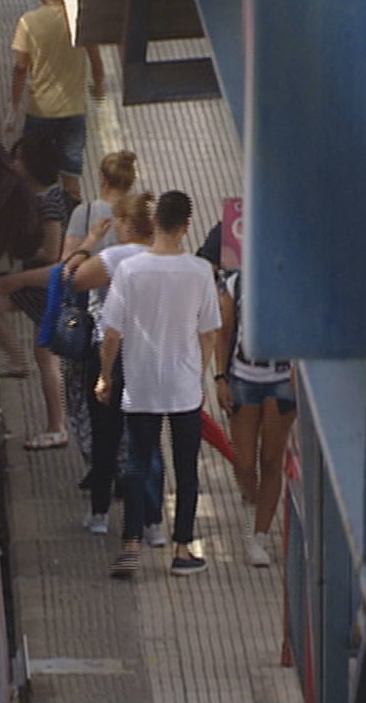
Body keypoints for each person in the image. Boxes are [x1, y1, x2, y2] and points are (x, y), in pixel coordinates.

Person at [97, 191, 221, 578]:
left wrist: (105, 375)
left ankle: (132, 545)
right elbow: (209, 333)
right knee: (187, 469)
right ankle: (182, 549)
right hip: (184, 386)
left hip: (141, 383)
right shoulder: (200, 271)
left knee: (137, 463)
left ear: (154, 223)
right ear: (186, 226)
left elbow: (111, 334)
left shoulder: (130, 270)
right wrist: (199, 373)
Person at [0, 150, 139, 459]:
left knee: (83, 394)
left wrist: (20, 280)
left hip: (90, 324)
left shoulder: (87, 214)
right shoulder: (139, 218)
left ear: (101, 178)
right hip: (134, 326)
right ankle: (127, 460)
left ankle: (94, 456)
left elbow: (65, 271)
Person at [62, 193, 166, 547]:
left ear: (125, 224)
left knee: (106, 435)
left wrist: (89, 242)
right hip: (151, 356)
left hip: (111, 353)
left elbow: (71, 277)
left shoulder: (115, 257)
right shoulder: (168, 259)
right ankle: (153, 521)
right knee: (148, 442)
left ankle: (100, 514)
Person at [0, 132, 75, 450]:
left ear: (33, 165)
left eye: (19, 159)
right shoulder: (44, 197)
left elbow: (51, 252)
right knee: (44, 355)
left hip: (43, 284)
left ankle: (56, 427)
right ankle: (55, 424)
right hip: (41, 284)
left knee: (45, 356)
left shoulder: (48, 203)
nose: (13, 163)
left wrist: (20, 256)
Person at [214, 269, 297, 567]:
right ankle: (251, 502)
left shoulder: (298, 282)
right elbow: (224, 330)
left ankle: (259, 536)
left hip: (282, 378)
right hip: (243, 377)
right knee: (244, 461)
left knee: (271, 460)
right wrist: (220, 376)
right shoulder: (237, 282)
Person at [6, 0, 105, 201]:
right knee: (71, 172)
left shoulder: (28, 23)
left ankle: (35, 212)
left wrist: (14, 106)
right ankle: (71, 214)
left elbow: (20, 67)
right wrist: (98, 86)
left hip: (40, 110)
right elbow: (96, 59)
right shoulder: (79, 17)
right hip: (74, 110)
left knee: (31, 168)